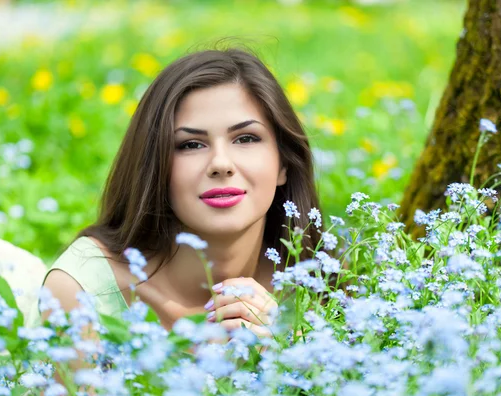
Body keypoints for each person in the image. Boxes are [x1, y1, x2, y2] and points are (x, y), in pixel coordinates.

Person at [27, 45, 322, 351]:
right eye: (191, 144)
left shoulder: (317, 288)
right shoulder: (83, 294)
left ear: (283, 164)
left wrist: (281, 355)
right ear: (155, 167)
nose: (221, 164)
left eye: (246, 138)